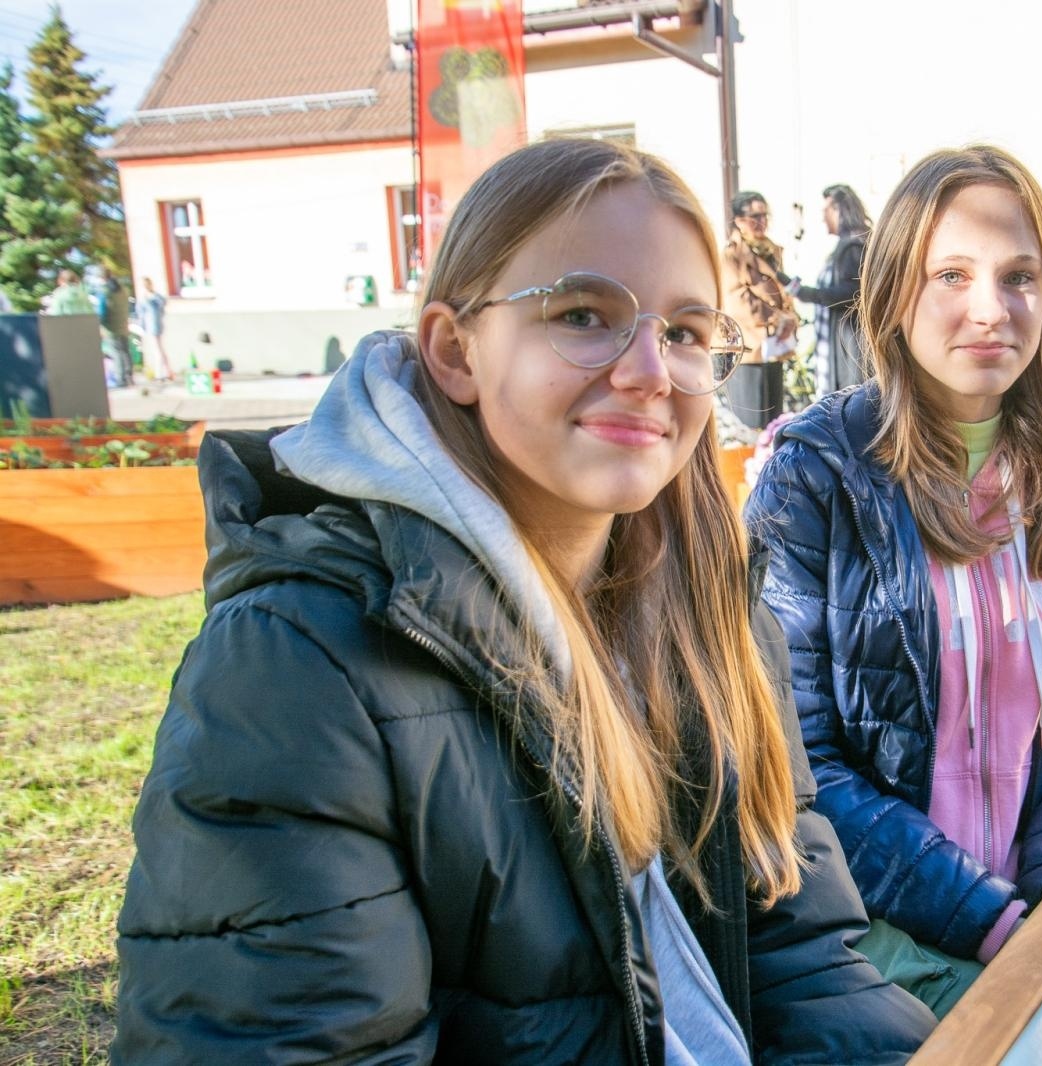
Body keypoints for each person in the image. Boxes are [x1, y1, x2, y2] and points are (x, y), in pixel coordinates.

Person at [114, 138, 935, 1062]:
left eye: (686, 332)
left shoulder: (713, 610)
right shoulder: (296, 669)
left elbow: (800, 956)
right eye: (585, 314)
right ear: (455, 351)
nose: (650, 372)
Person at [744, 145, 1042, 1018]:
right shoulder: (817, 478)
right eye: (952, 275)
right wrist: (982, 918)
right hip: (866, 934)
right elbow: (793, 758)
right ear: (896, 294)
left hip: (1032, 917)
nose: (989, 310)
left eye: (1018, 277)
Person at [722, 190, 797, 430]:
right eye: (755, 217)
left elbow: (785, 293)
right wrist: (778, 319)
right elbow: (736, 299)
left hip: (775, 345)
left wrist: (791, 318)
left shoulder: (771, 250)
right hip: (749, 348)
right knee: (751, 423)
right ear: (739, 220)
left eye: (765, 216)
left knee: (774, 421)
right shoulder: (731, 255)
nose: (762, 222)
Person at [788, 184, 871, 395]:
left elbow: (851, 293)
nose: (822, 218)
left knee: (848, 401)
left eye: (825, 211)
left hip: (851, 346)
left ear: (838, 211)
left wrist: (809, 294)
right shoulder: (851, 243)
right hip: (845, 343)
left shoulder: (854, 246)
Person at [134, 276, 175, 382]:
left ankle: (160, 373)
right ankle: (167, 371)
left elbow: (162, 304)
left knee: (158, 350)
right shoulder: (144, 299)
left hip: (155, 326)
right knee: (159, 349)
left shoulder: (153, 298)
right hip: (151, 326)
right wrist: (142, 326)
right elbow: (141, 314)